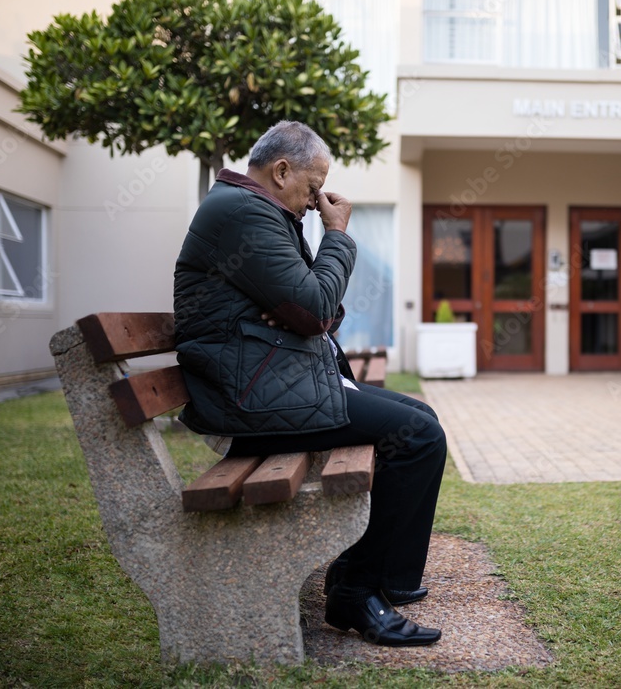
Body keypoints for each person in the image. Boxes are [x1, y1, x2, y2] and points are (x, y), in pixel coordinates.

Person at [172, 120, 446, 647]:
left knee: (422, 418)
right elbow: (316, 306)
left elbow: (318, 312)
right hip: (250, 398)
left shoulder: (258, 210)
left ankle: (389, 575)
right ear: (281, 171)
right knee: (418, 437)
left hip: (274, 379)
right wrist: (337, 236)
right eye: (313, 186)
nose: (316, 201)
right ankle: (355, 592)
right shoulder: (244, 212)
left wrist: (304, 309)